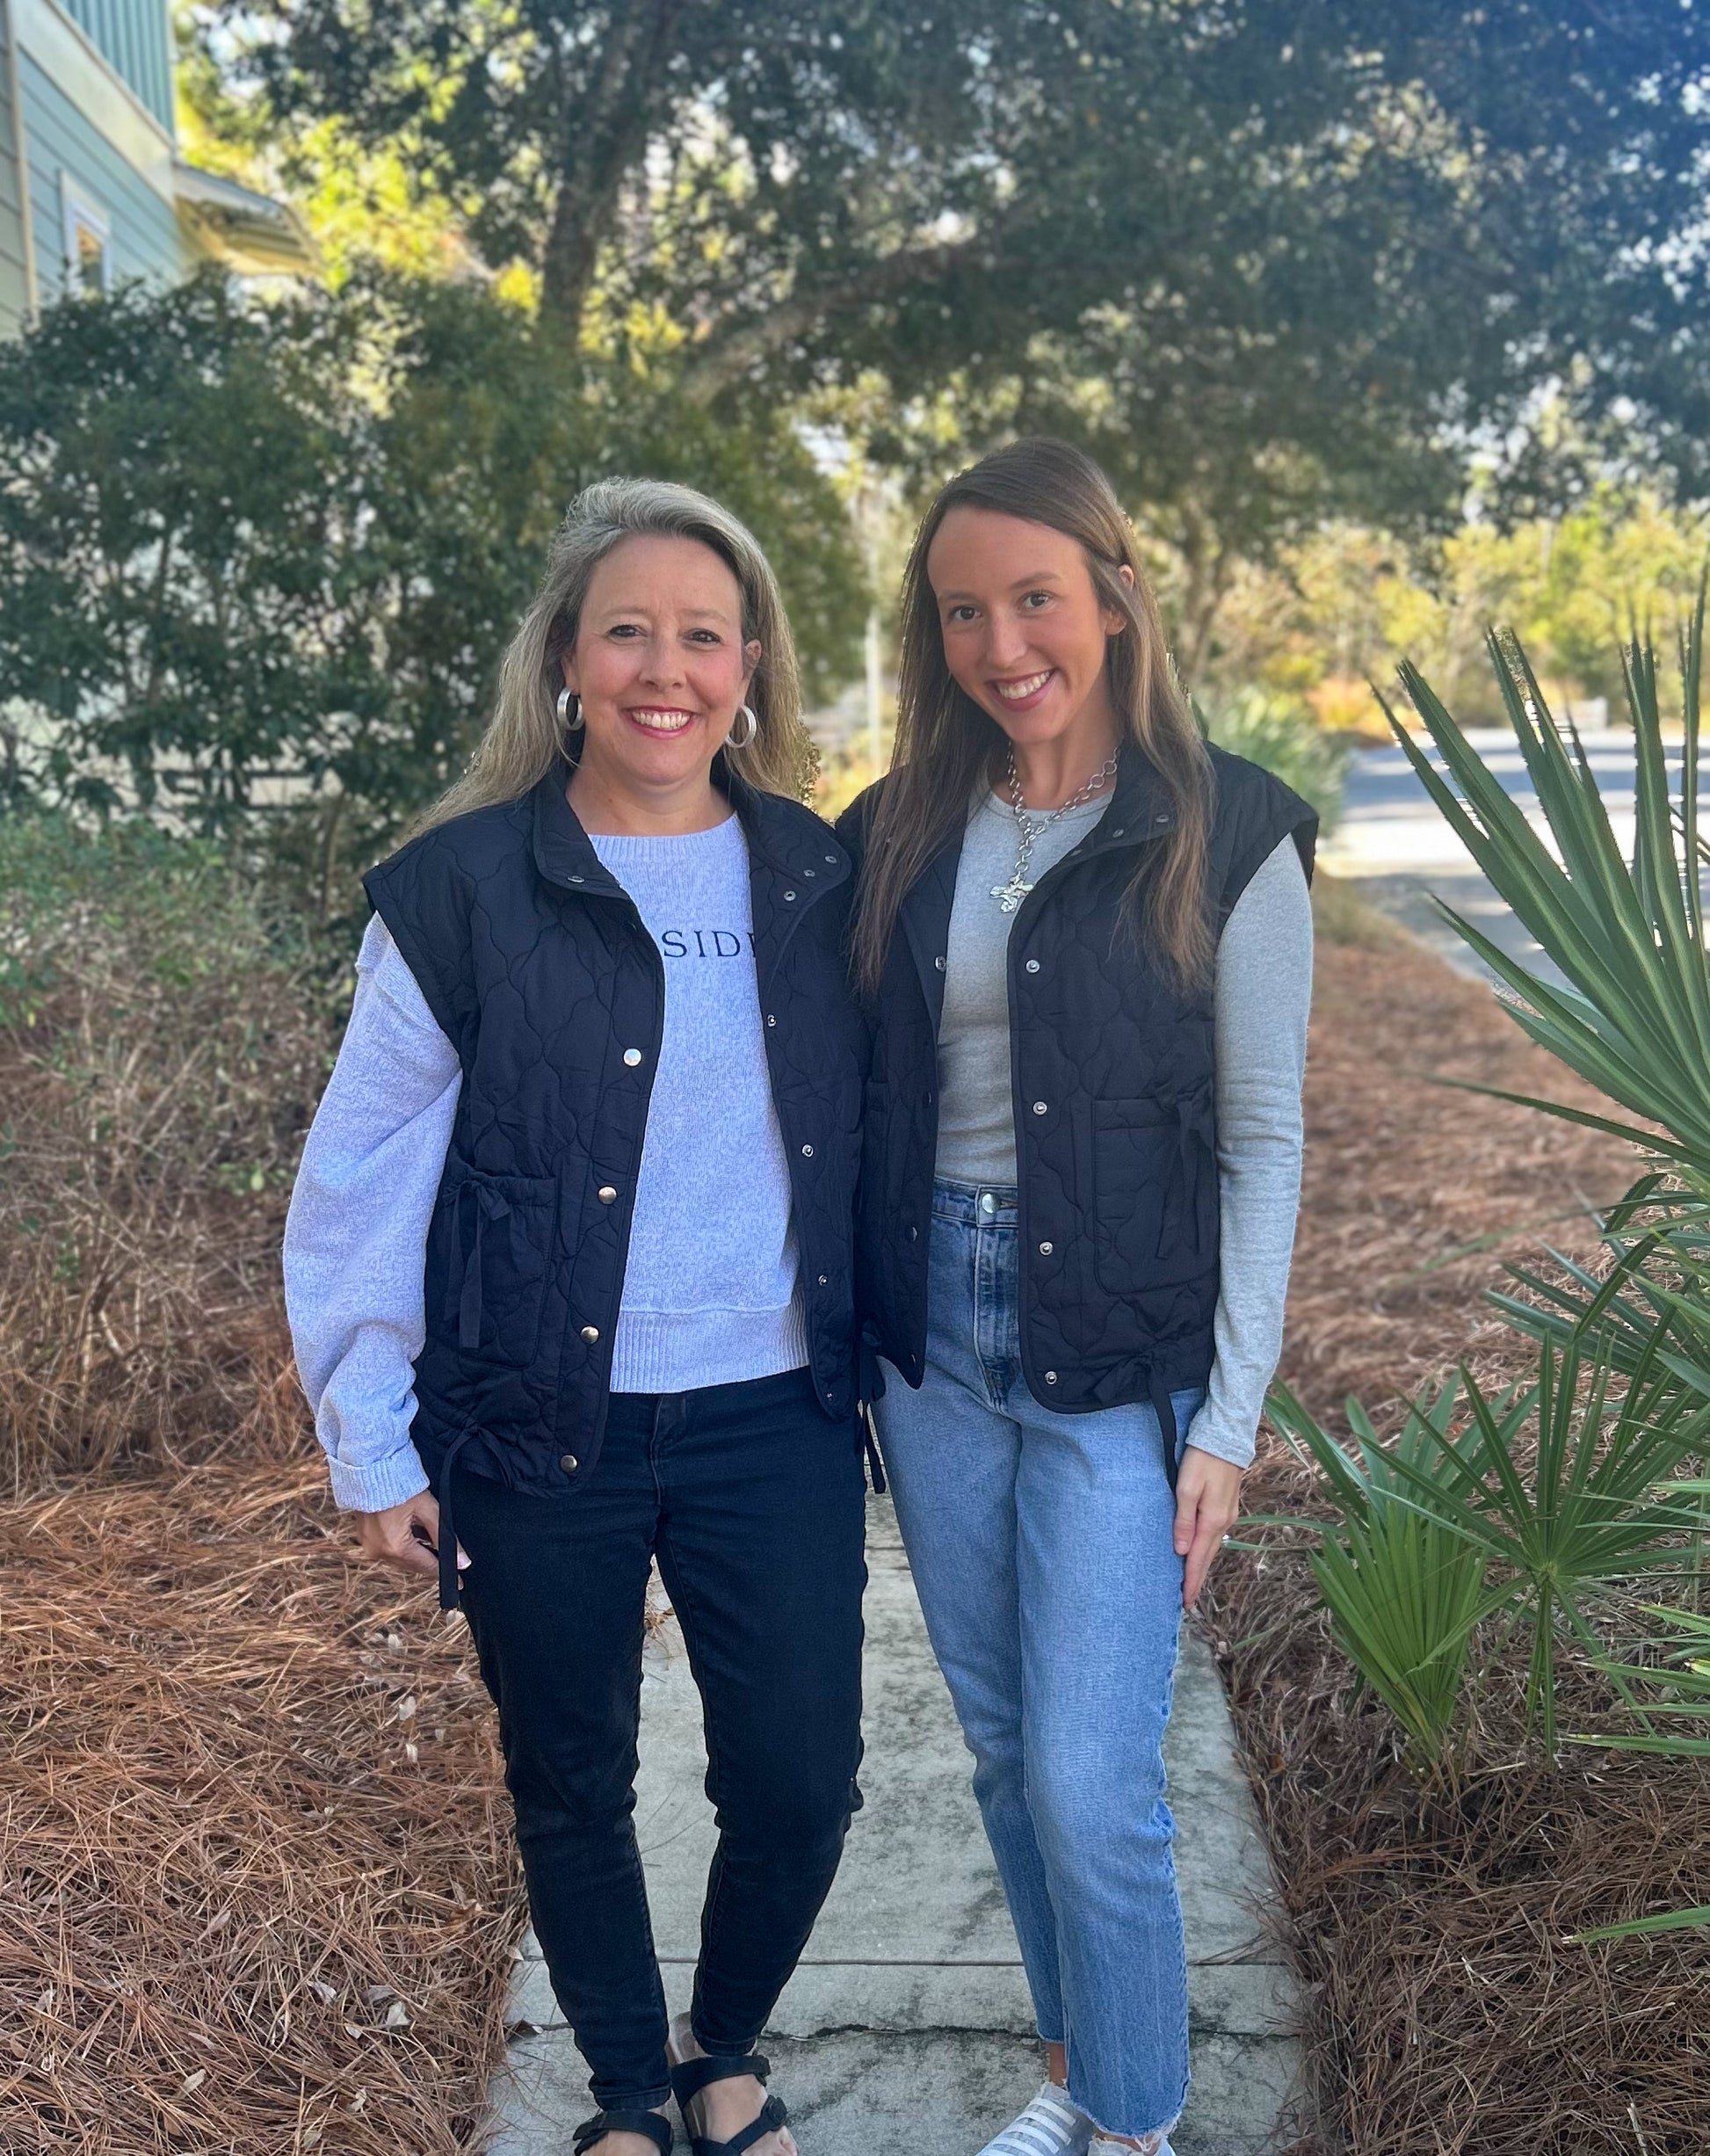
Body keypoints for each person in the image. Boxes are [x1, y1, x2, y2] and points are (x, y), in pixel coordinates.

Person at [285, 479, 871, 2156]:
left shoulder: (821, 874)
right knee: (570, 1775)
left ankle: (721, 2038)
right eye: (627, 632)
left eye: (702, 635)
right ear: (563, 657)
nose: (663, 670)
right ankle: (624, 2090)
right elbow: (361, 1175)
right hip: (537, 1411)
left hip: (774, 1410)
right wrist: (370, 1434)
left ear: (748, 665)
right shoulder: (462, 890)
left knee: (800, 1778)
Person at [838, 438, 1315, 2156]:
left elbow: (1263, 1142)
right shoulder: (896, 830)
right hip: (932, 1345)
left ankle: (1134, 2126)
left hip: (1117, 1357)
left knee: (1092, 1785)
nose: (999, 643)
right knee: (999, 1752)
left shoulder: (1229, 831)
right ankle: (1078, 2073)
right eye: (961, 611)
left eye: (1032, 597)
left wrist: (1229, 1425)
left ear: (1113, 596)